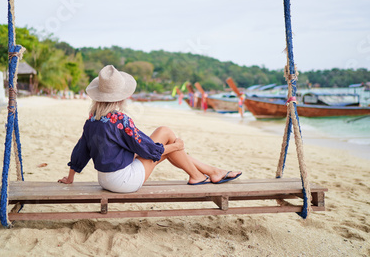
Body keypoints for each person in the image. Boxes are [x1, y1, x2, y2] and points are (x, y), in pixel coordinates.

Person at [58, 65, 242, 193]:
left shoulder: (92, 121)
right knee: (168, 137)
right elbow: (147, 150)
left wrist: (70, 177)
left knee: (164, 133)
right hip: (123, 182)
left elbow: (80, 151)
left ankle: (208, 173)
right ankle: (200, 174)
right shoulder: (120, 119)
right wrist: (176, 147)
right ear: (121, 97)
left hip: (105, 179)